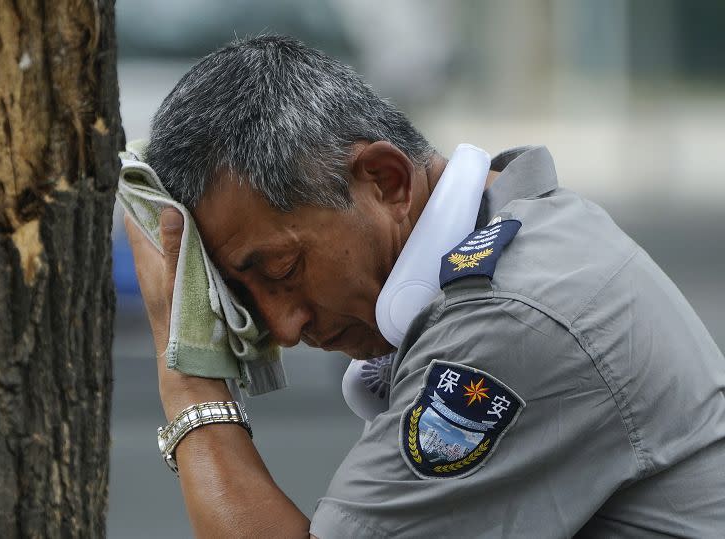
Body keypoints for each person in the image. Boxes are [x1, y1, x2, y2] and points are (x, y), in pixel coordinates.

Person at [125, 35, 725, 538]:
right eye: (242, 295)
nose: (284, 326)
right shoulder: (519, 223)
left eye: (281, 271)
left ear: (385, 180)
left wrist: (189, 377)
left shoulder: (507, 322)